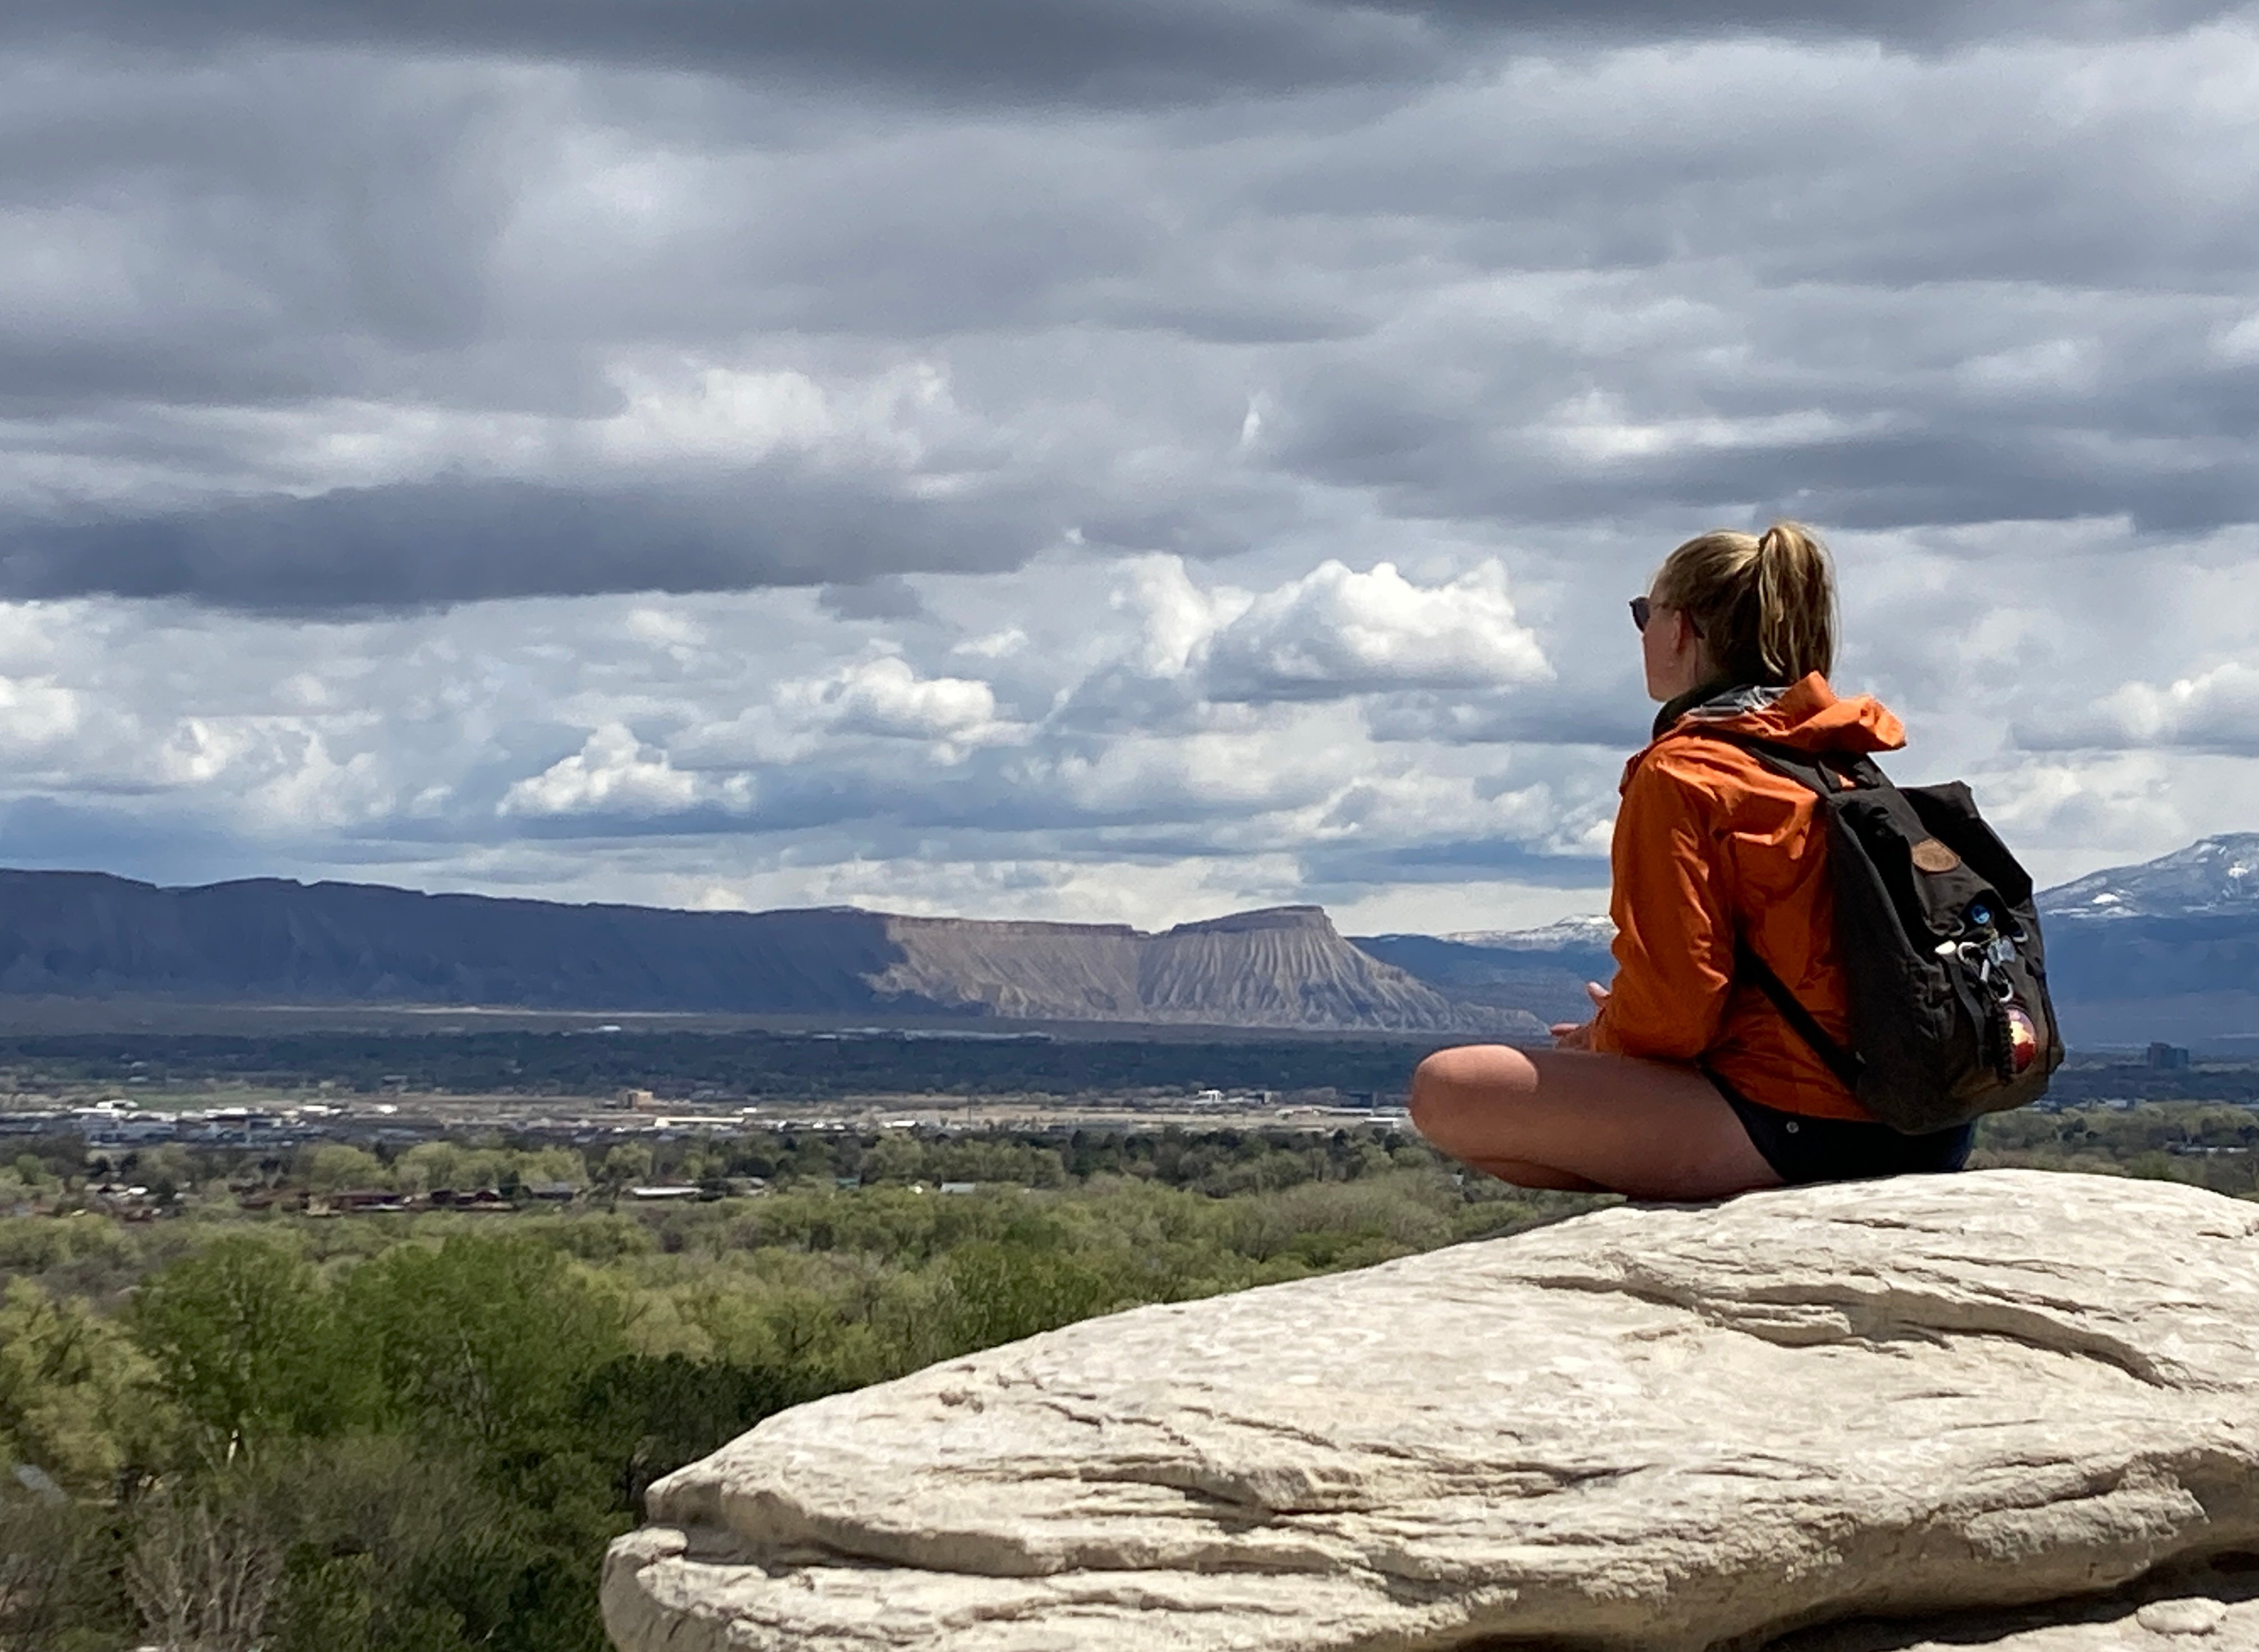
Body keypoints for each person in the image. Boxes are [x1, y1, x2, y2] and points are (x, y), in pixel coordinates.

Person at [1407, 522, 1975, 1199]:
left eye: (1643, 614)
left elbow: (1675, 1013)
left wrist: (1600, 1039)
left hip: (1807, 1127)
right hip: (1932, 1125)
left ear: (1682, 629)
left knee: (1448, 1089)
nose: (1642, 633)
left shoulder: (1685, 773)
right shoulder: (1838, 762)